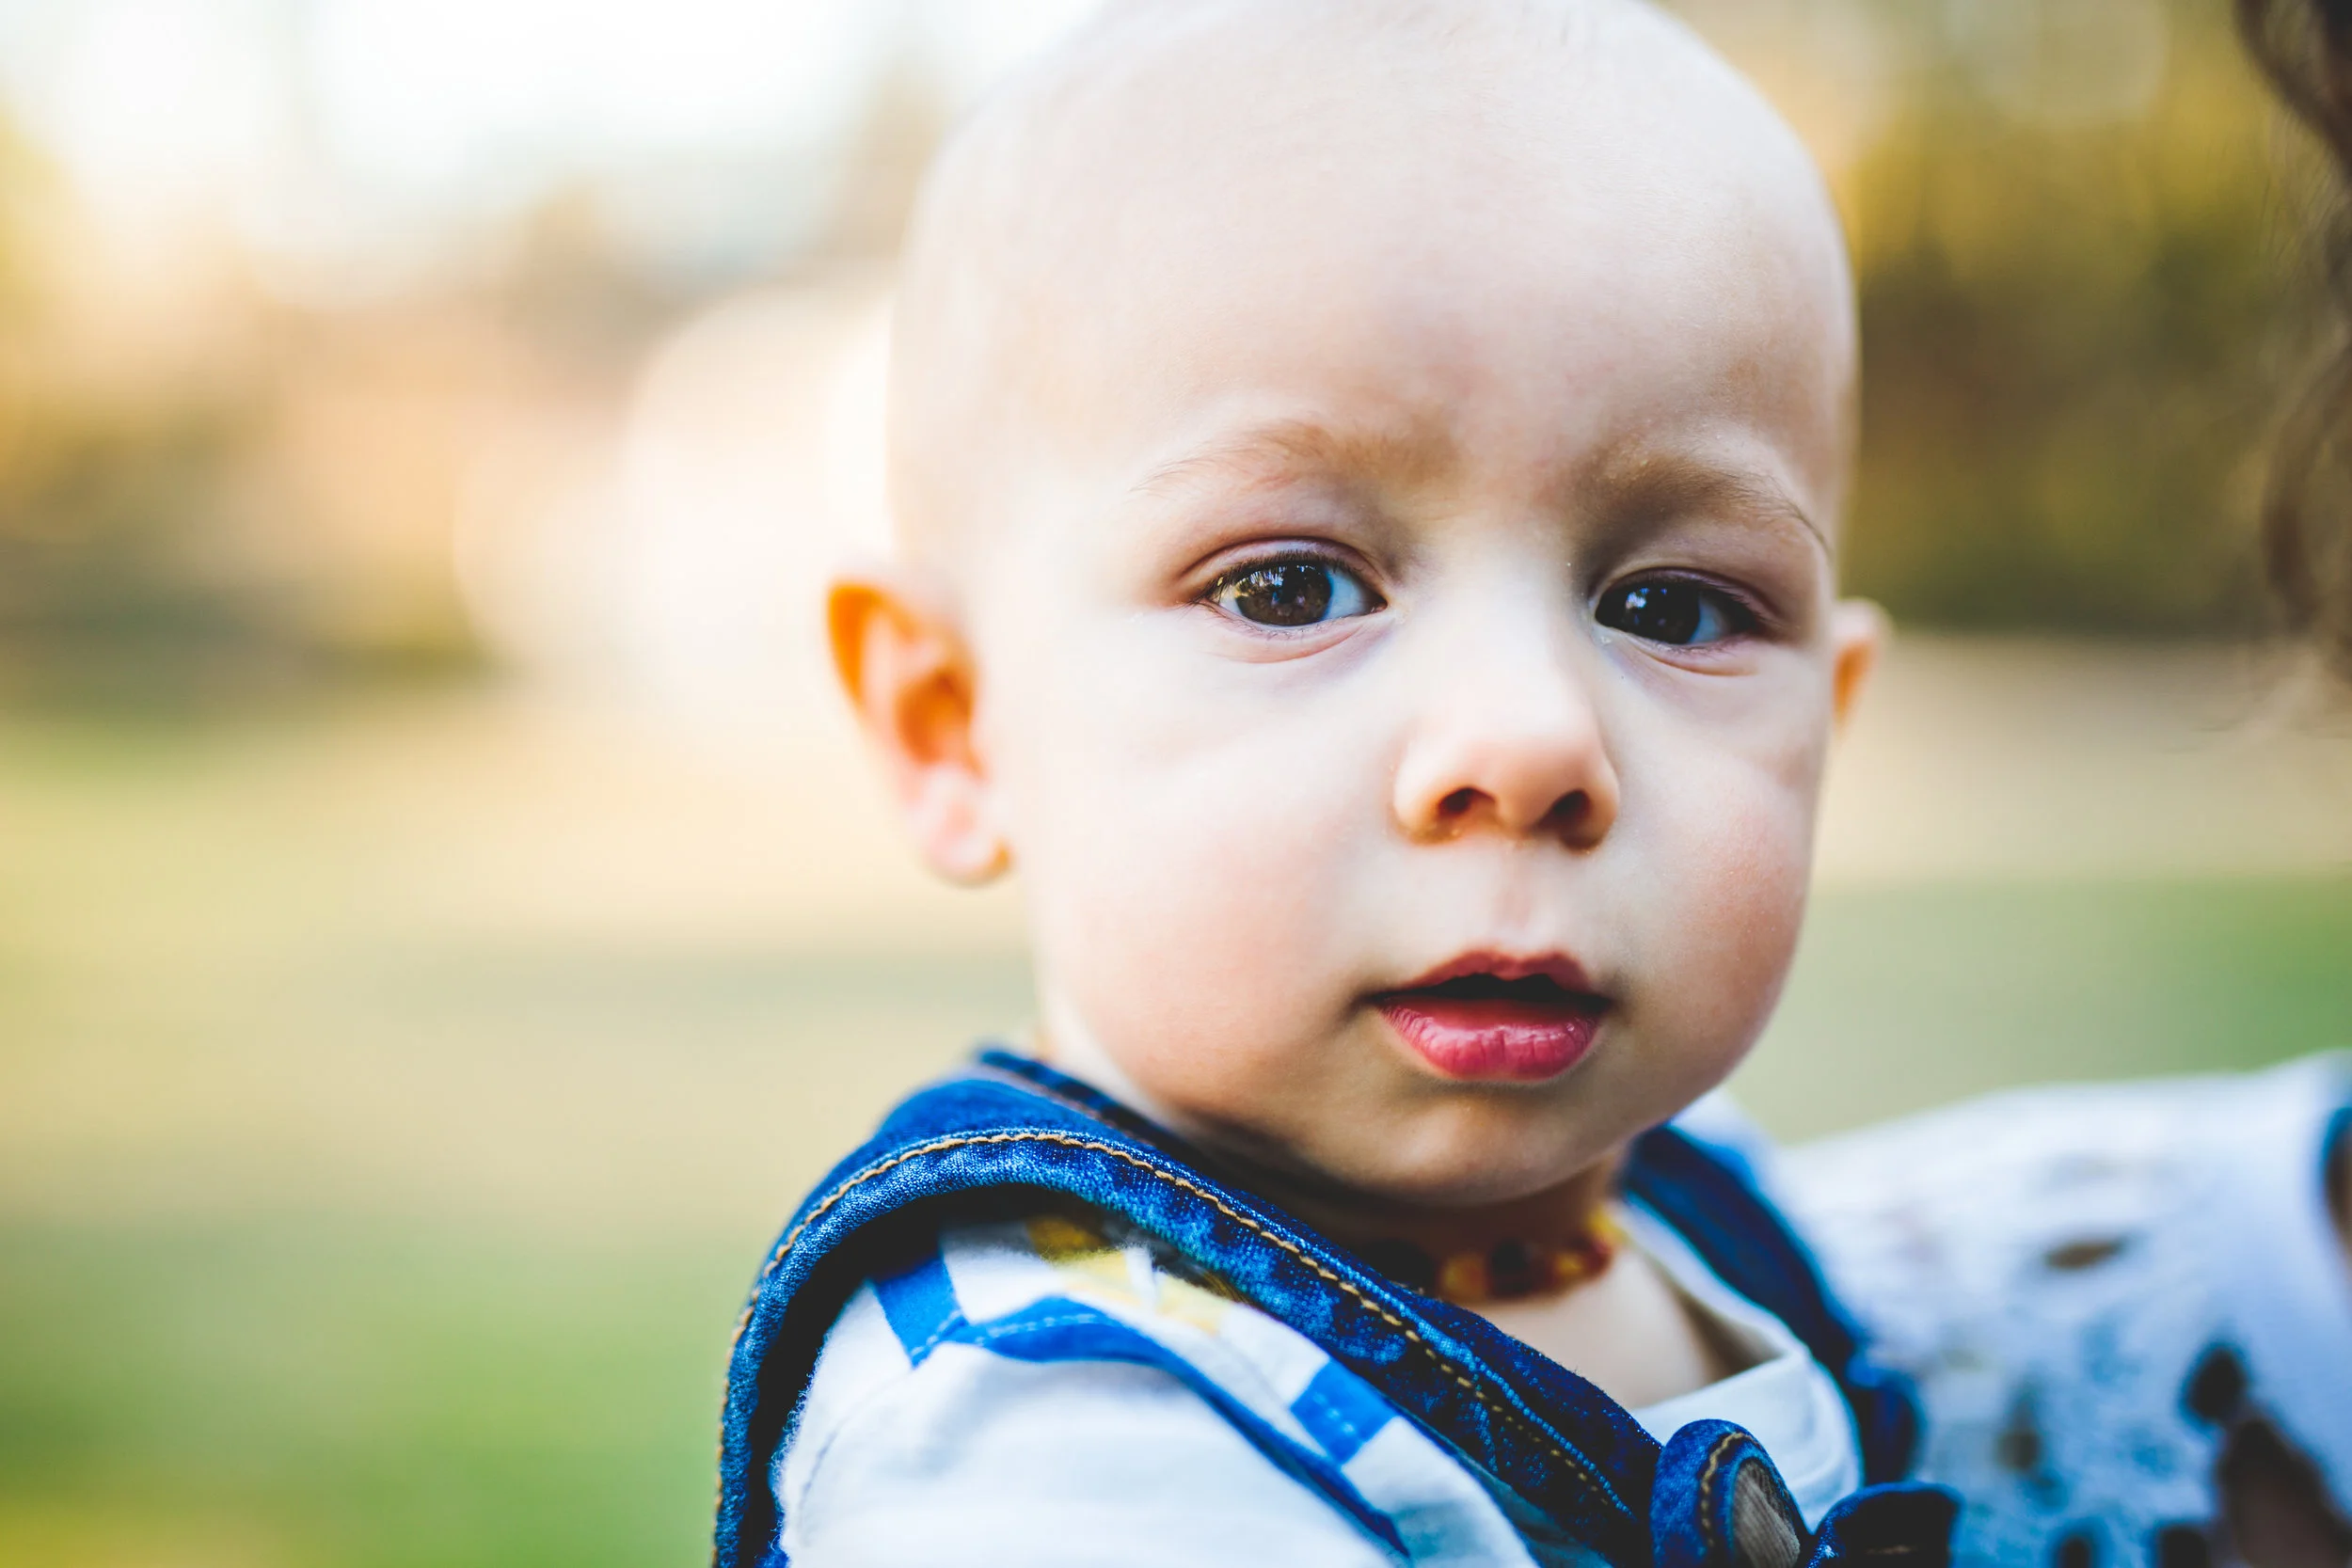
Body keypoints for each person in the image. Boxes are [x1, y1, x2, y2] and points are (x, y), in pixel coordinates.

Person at [713, 4, 2351, 1565]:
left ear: (1824, 729)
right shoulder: (1049, 1434)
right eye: (1289, 587)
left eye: (1677, 608)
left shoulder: (1714, 1225)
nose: (1530, 742)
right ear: (953, 724)